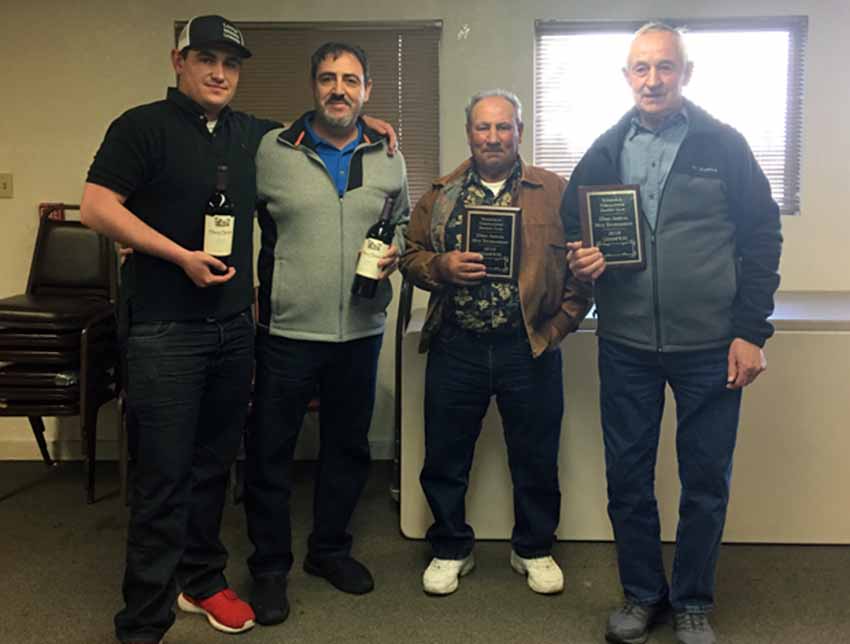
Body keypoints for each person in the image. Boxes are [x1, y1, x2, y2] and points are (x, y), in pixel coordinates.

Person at [81, 18, 396, 643]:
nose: (219, 72)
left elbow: (313, 127)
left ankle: (201, 581)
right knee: (163, 473)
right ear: (179, 61)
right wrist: (177, 256)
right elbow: (96, 206)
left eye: (230, 62)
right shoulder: (140, 126)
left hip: (231, 329)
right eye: (206, 59)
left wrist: (371, 125)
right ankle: (143, 619)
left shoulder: (253, 135)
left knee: (211, 465)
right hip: (165, 328)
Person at [561, 23, 782, 644]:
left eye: (664, 67)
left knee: (705, 479)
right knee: (627, 476)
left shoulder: (724, 145)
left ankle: (691, 600)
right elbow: (572, 229)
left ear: (686, 74)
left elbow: (763, 238)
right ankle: (640, 594)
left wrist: (750, 331)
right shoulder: (605, 148)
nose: (652, 80)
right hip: (626, 343)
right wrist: (582, 259)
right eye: (640, 68)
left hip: (711, 345)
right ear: (626, 76)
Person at [243, 42, 410, 626]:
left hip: (361, 332)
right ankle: (268, 567)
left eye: (351, 80)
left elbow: (405, 225)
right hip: (286, 331)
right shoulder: (271, 149)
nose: (338, 89)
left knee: (347, 448)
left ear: (368, 91)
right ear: (312, 86)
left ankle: (329, 551)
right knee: (269, 453)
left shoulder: (389, 154)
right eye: (327, 79)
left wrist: (397, 252)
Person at [399, 89, 592, 596]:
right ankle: (450, 548)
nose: (493, 137)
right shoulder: (442, 194)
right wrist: (439, 267)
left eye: (503, 127)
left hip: (527, 346)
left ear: (519, 133)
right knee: (445, 455)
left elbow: (582, 268)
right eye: (483, 127)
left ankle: (533, 547)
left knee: (535, 454)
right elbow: (409, 255)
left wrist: (559, 328)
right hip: (456, 345)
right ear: (469, 133)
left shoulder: (554, 191)